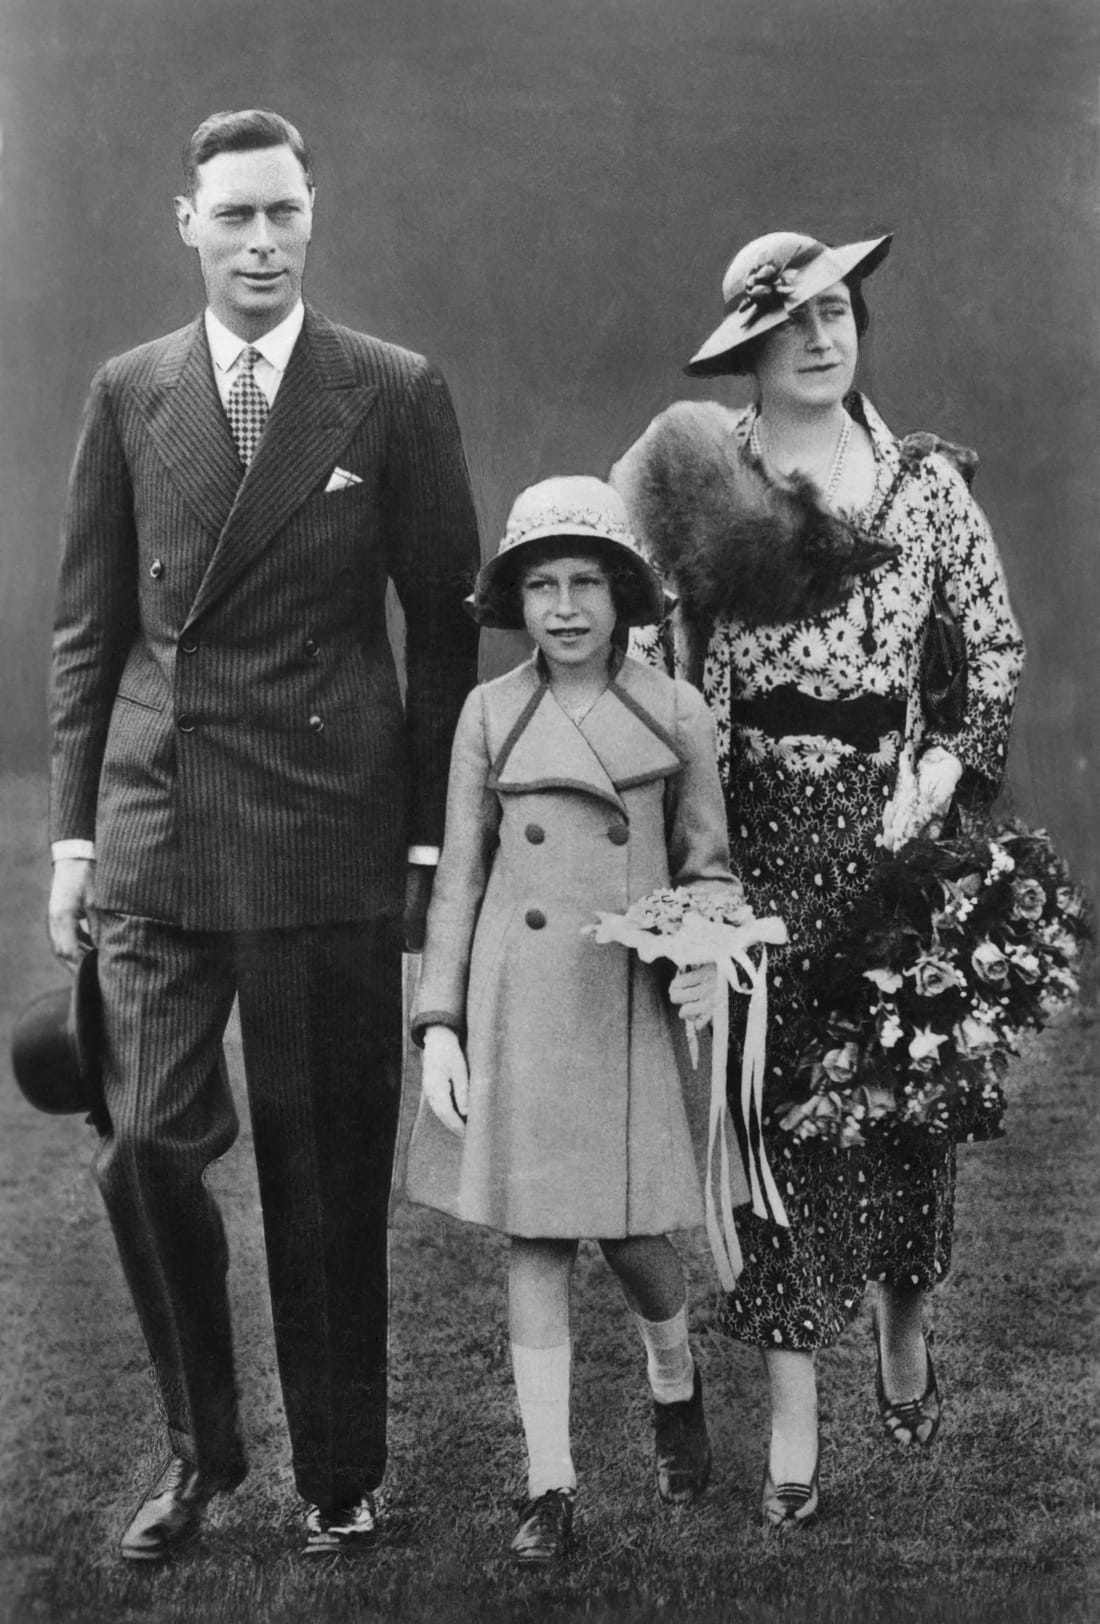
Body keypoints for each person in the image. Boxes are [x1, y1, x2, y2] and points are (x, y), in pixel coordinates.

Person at [47, 108, 480, 1560]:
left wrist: (424, 844)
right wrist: (68, 844)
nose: (259, 242)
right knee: (143, 1150)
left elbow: (444, 632)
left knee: (322, 1170)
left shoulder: (392, 392)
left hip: (324, 839)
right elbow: (88, 632)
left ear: (315, 215)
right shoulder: (129, 392)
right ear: (188, 221)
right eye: (232, 216)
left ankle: (340, 1473)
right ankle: (202, 1449)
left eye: (282, 214)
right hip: (159, 835)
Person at [611, 231, 1024, 1527]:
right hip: (754, 842)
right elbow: (638, 634)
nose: (821, 337)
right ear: (749, 347)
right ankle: (795, 1407)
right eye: (791, 322)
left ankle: (903, 1330)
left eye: (838, 312)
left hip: (901, 841)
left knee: (901, 1120)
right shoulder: (697, 481)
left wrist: (942, 780)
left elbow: (994, 654)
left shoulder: (925, 489)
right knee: (776, 1136)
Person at [403, 476, 737, 1563]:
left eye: (584, 582)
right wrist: (439, 1021)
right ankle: (548, 1479)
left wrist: (702, 951)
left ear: (622, 593)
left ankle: (671, 1377)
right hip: (523, 997)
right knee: (535, 1234)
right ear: (515, 599)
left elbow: (711, 872)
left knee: (638, 1238)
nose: (562, 607)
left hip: (628, 1003)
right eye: (539, 584)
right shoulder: (489, 713)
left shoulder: (673, 711)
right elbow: (459, 877)